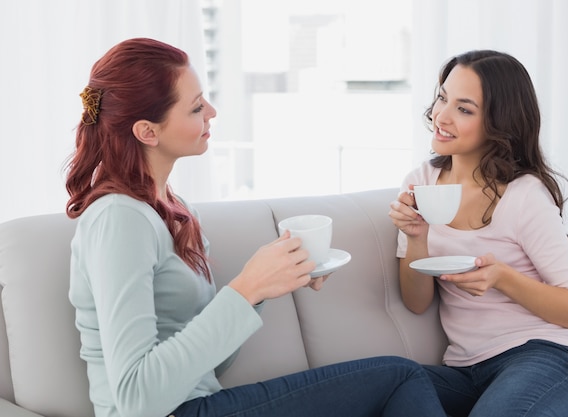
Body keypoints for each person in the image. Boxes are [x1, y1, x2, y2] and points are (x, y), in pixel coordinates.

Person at [64, 37, 446, 417]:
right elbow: (136, 399)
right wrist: (245, 289)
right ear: (148, 132)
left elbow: (212, 366)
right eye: (196, 107)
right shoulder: (119, 219)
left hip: (200, 404)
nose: (211, 112)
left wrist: (263, 289)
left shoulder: (171, 209)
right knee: (400, 377)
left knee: (407, 380)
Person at [388, 50, 568, 417]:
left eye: (464, 109)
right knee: (385, 383)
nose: (441, 116)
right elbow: (417, 303)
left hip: (542, 357)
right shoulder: (420, 182)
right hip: (465, 372)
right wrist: (417, 237)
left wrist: (502, 277)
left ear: (499, 122)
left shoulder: (524, 194)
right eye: (442, 97)